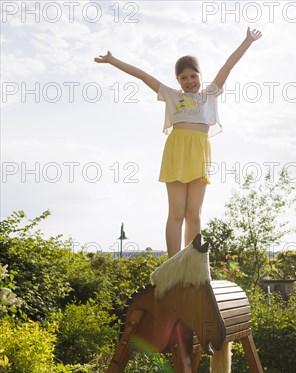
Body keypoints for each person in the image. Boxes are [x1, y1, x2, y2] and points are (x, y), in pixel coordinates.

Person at [95, 27, 262, 257]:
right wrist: (113, 61)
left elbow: (228, 65)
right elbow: (143, 76)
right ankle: (173, 261)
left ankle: (192, 261)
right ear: (178, 80)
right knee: (176, 212)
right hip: (177, 153)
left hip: (199, 155)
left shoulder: (209, 95)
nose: (189, 81)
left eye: (193, 76)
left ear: (200, 76)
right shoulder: (172, 95)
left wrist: (248, 41)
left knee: (193, 214)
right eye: (183, 77)